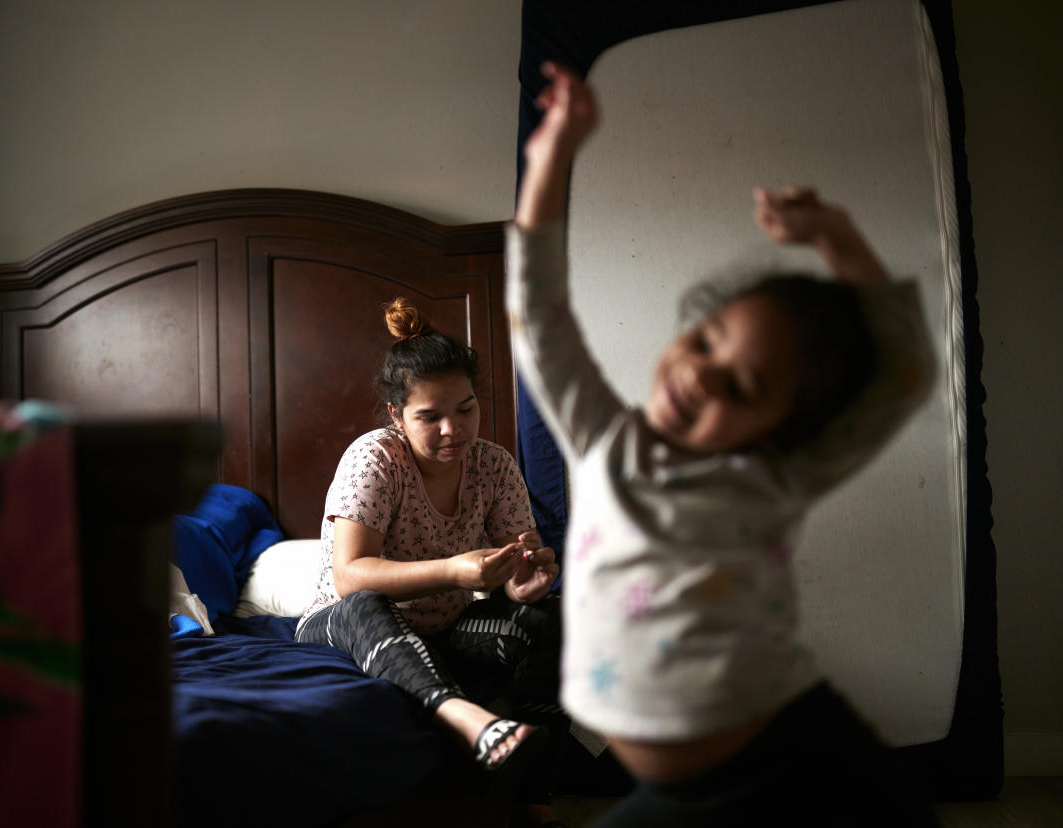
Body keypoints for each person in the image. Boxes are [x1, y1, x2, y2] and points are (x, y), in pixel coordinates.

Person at [506, 61, 940, 826]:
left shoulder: (774, 478)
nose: (702, 378)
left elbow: (904, 373)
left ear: (776, 430)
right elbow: (537, 315)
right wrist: (548, 163)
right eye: (705, 342)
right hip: (676, 791)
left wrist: (836, 238)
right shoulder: (606, 441)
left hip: (786, 752)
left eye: (740, 390)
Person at [295, 298, 567, 826]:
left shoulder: (493, 464)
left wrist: (527, 581)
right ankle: (470, 722)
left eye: (465, 409)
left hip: (444, 626)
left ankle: (535, 797)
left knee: (545, 620)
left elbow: (521, 561)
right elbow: (350, 576)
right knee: (366, 602)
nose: (453, 430)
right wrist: (454, 570)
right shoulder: (375, 458)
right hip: (342, 622)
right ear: (397, 415)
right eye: (430, 417)